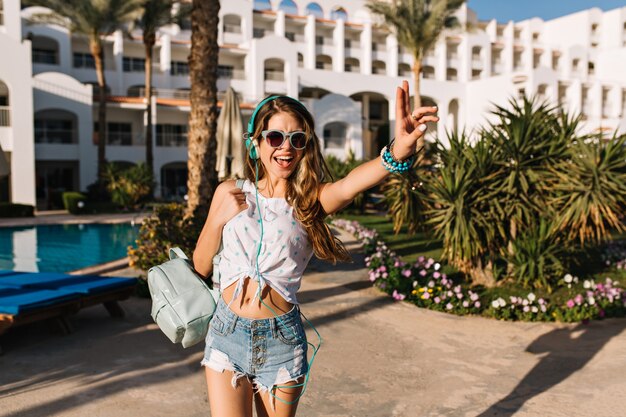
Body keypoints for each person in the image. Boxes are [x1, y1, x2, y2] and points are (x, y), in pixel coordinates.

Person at [193, 80, 438, 417]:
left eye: (297, 139)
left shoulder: (310, 201)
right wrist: (218, 219)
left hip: (281, 340)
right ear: (256, 142)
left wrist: (397, 151)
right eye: (275, 137)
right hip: (226, 333)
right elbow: (201, 265)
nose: (286, 148)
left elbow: (353, 183)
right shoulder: (229, 193)